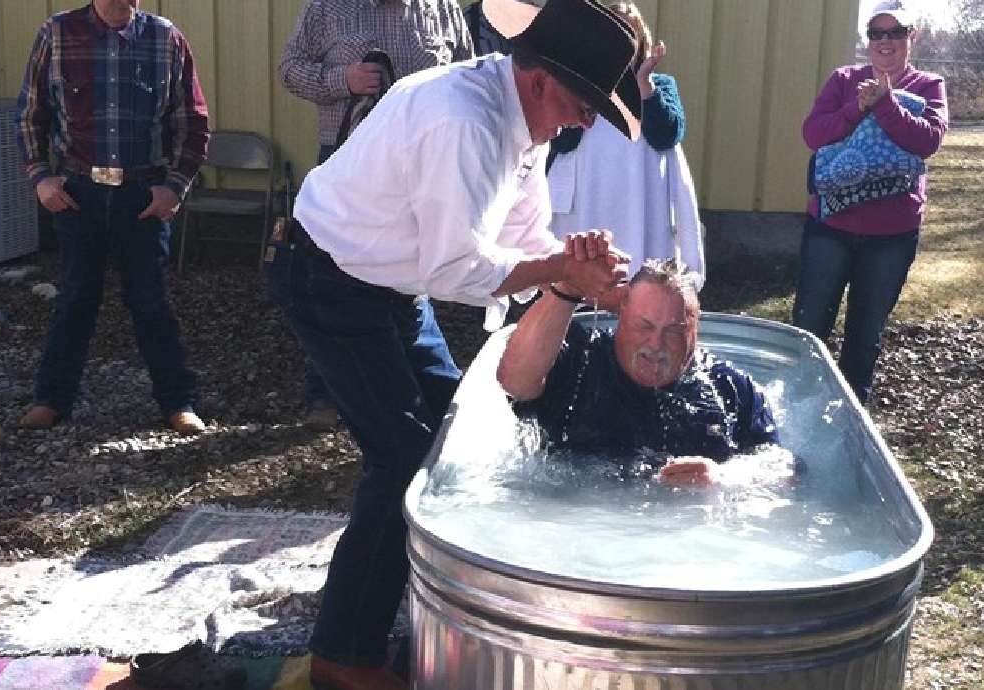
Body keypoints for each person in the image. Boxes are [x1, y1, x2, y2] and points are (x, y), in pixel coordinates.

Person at [265, 0, 642, 687]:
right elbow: (457, 270)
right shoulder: (464, 119)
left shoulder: (524, 119)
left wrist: (594, 283)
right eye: (586, 104)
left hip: (388, 282)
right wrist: (564, 271)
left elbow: (523, 237)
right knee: (403, 457)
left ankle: (416, 598)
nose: (588, 120)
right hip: (329, 277)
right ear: (541, 82)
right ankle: (343, 656)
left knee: (454, 438)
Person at [15, 0, 211, 435]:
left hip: (142, 195)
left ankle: (178, 402)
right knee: (75, 298)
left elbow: (193, 122)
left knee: (151, 301)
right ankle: (50, 399)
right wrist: (41, 178)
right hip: (78, 193)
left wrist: (174, 187)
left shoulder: (166, 39)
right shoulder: (57, 35)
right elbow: (31, 116)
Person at [278, 0, 474, 431]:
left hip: (421, 168)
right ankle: (325, 392)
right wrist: (341, 80)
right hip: (346, 164)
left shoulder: (441, 9)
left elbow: (468, 78)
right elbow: (289, 69)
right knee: (334, 277)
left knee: (407, 274)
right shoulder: (326, 8)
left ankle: (403, 380)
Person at [498, 260, 780, 487]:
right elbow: (515, 381)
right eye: (643, 326)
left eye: (674, 331)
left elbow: (781, 467)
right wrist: (567, 289)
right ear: (621, 316)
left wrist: (727, 478)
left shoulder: (729, 388)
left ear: (695, 328)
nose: (655, 345)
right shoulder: (581, 358)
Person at [792, 0, 947, 404]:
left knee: (865, 333)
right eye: (876, 33)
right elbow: (814, 134)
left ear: (911, 37)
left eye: (895, 32)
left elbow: (927, 141)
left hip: (891, 235)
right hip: (831, 228)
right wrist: (857, 107)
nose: (884, 42)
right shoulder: (844, 79)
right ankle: (802, 402)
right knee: (810, 323)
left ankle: (852, 416)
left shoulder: (929, 86)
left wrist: (886, 103)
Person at [547, 1, 703, 280]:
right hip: (588, 195)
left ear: (641, 42)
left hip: (642, 196)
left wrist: (645, 88)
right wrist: (588, 91)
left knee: (640, 262)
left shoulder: (660, 85)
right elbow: (562, 141)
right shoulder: (574, 83)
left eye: (628, 38)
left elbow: (667, 134)